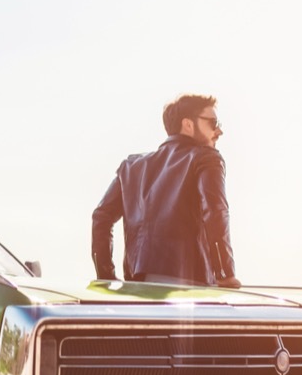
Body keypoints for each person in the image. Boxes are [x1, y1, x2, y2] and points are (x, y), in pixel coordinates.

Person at [91, 94, 241, 288]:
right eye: (213, 123)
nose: (219, 130)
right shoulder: (206, 159)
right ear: (187, 124)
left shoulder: (132, 167)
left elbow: (100, 217)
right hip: (190, 286)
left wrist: (106, 277)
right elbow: (215, 212)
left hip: (138, 286)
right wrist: (224, 273)